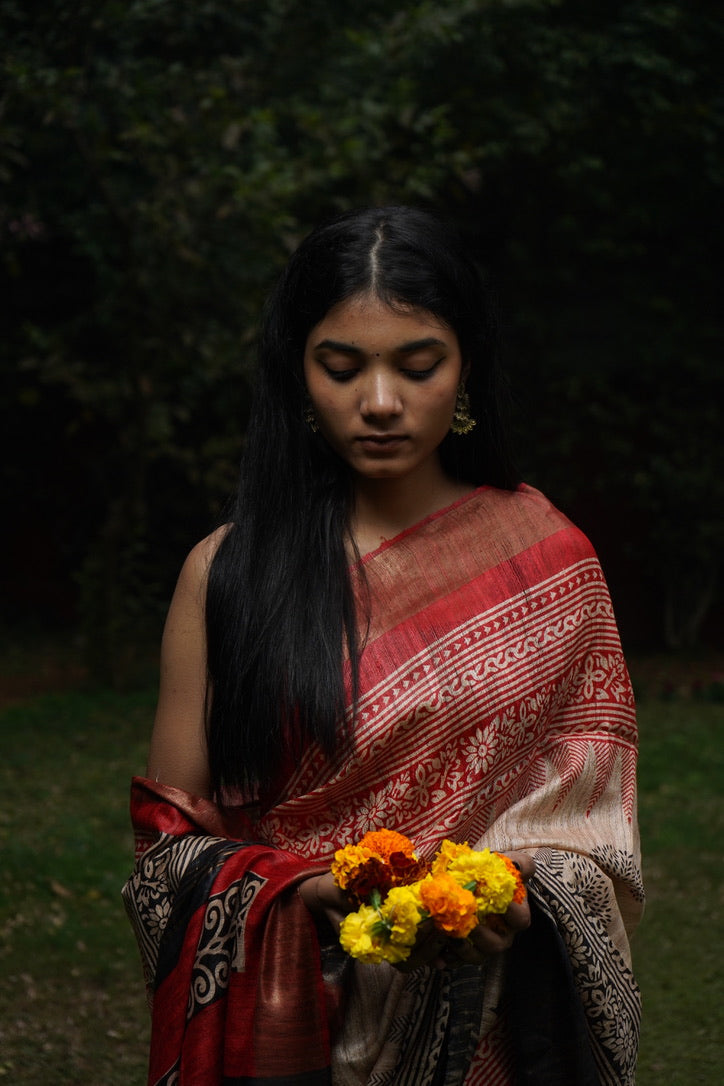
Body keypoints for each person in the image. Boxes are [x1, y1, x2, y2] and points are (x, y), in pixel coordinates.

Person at [123, 205, 643, 1085]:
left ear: (466, 366)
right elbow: (168, 851)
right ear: (298, 374)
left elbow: (594, 824)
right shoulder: (229, 575)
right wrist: (314, 893)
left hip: (489, 1028)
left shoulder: (549, 560)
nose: (379, 403)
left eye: (418, 364)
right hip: (298, 1026)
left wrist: (509, 893)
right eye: (341, 366)